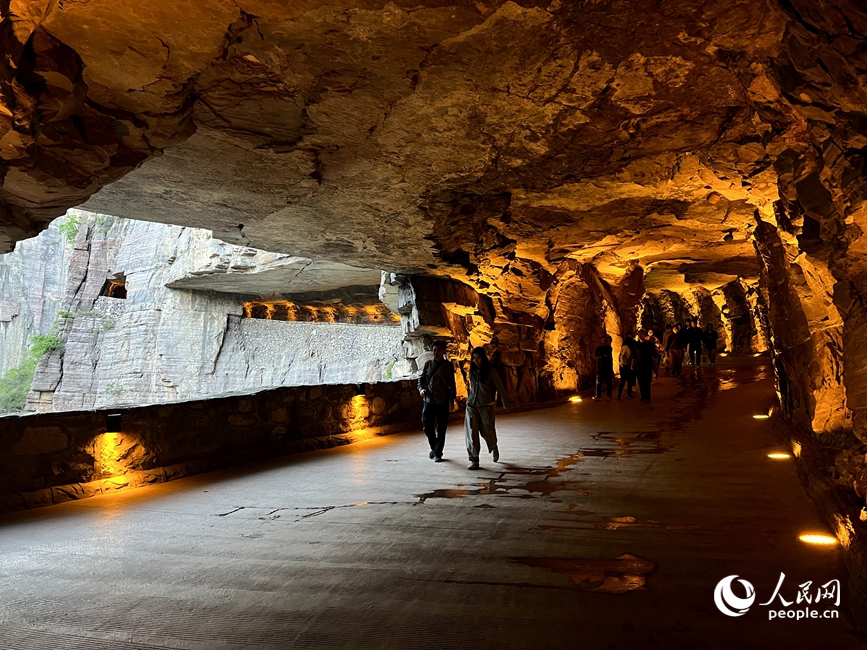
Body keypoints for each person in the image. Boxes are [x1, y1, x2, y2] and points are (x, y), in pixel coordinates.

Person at [465, 347, 512, 470]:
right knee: (471, 432)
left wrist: (505, 403)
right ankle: (474, 460)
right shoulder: (472, 371)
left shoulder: (491, 371)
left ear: (483, 358)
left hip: (486, 406)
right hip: (472, 406)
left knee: (487, 431)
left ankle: (494, 447)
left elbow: (500, 387)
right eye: (474, 358)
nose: (476, 361)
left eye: (479, 358)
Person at [418, 341, 456, 462]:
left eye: (439, 350)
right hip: (429, 400)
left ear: (443, 351)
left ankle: (438, 453)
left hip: (442, 401)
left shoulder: (448, 366)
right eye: (434, 350)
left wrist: (451, 401)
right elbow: (421, 379)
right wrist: (421, 389)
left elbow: (452, 384)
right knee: (426, 425)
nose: (436, 352)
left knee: (441, 429)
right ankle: (435, 448)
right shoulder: (428, 364)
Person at [635, 329, 657, 402]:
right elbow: (634, 355)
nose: (640, 335)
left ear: (645, 335)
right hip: (639, 365)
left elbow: (654, 354)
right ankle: (643, 396)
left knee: (647, 381)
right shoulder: (636, 345)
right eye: (639, 334)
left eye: (642, 334)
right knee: (640, 381)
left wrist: (655, 365)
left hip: (647, 365)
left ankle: (647, 397)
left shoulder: (649, 344)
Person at [593, 334, 614, 400]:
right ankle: (598, 396)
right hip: (600, 368)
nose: (603, 341)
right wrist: (603, 355)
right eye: (602, 340)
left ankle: (609, 395)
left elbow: (606, 355)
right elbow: (596, 355)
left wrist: (601, 355)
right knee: (598, 382)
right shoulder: (598, 348)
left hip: (607, 368)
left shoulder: (609, 348)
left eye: (604, 340)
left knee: (608, 382)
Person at [617, 331, 636, 399]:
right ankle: (628, 394)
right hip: (628, 365)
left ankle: (619, 395)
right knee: (628, 380)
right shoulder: (632, 347)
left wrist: (621, 363)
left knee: (623, 380)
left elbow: (621, 356)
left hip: (624, 365)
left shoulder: (625, 346)